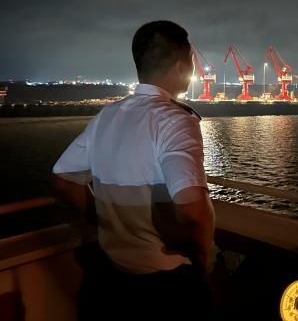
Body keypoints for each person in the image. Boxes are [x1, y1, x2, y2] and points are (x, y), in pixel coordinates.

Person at [50, 20, 216, 320]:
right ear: (182, 66)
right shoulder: (175, 120)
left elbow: (63, 180)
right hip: (167, 288)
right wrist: (204, 261)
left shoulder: (106, 117)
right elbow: (193, 211)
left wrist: (103, 217)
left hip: (111, 281)